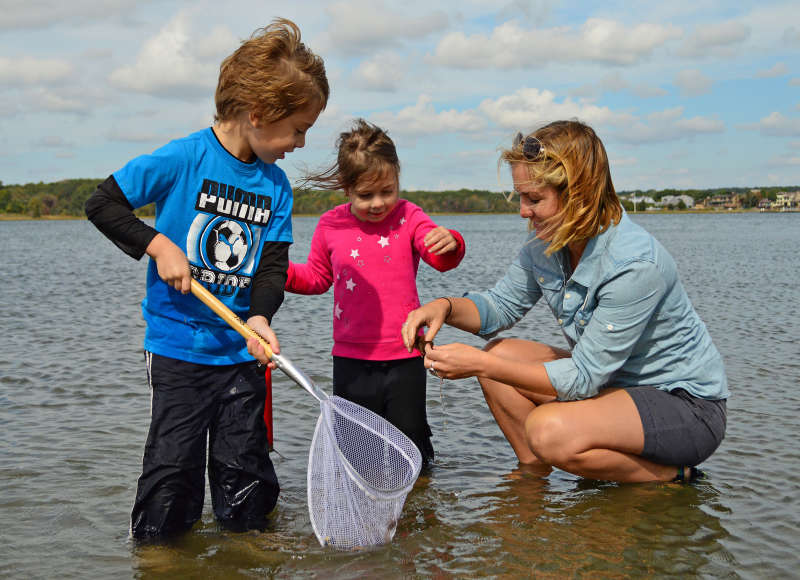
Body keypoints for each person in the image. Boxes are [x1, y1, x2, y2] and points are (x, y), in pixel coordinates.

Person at [84, 18, 329, 539]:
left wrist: (261, 314)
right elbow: (102, 203)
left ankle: (247, 554)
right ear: (258, 115)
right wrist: (157, 243)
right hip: (178, 348)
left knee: (246, 474)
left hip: (241, 350)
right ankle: (159, 554)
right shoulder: (183, 158)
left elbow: (272, 266)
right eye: (298, 128)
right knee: (173, 471)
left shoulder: (276, 185)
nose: (302, 143)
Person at [401, 120, 728, 483]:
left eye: (535, 199)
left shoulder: (635, 264)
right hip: (613, 385)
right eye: (521, 197)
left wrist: (479, 364)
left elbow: (585, 377)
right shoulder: (544, 245)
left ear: (580, 194)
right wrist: (443, 308)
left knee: (545, 428)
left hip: (685, 406)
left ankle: (669, 475)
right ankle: (533, 470)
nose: (523, 211)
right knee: (499, 354)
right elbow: (498, 308)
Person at [279, 118, 466, 465]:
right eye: (366, 195)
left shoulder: (409, 216)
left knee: (411, 450)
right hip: (351, 361)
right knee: (357, 453)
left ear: (397, 179)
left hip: (406, 356)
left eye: (388, 191)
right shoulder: (331, 224)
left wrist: (450, 242)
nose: (379, 203)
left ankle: (418, 512)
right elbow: (317, 278)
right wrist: (277, 271)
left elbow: (441, 260)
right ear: (346, 189)